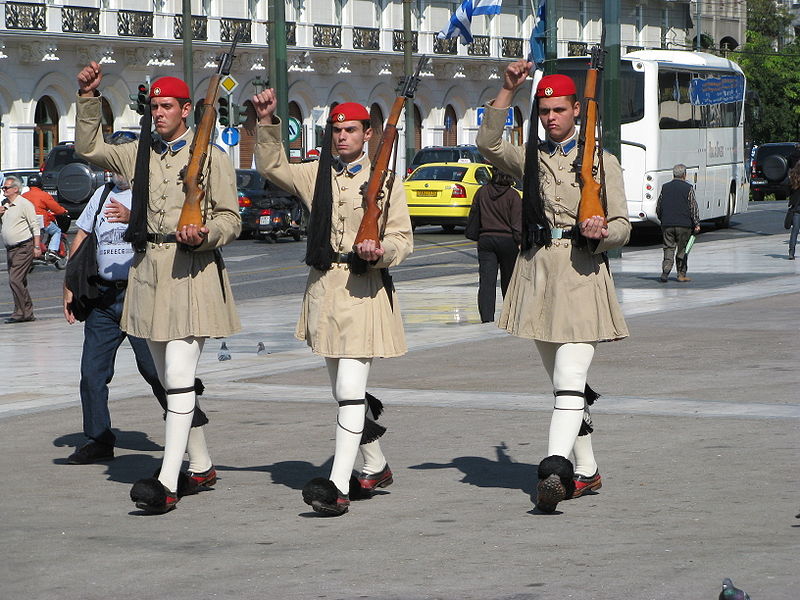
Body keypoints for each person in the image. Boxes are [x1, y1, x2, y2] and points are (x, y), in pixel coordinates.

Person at [75, 63, 241, 514]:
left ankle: (168, 479)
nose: (159, 113)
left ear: (187, 110)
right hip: (148, 273)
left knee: (181, 376)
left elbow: (231, 217)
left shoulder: (212, 157)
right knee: (171, 381)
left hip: (192, 273)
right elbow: (88, 146)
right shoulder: (138, 152)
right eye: (154, 106)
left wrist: (205, 234)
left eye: (167, 106)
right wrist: (89, 98)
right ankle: (202, 463)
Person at [476, 60, 630, 513]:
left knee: (570, 381)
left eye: (558, 111)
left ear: (577, 110)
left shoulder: (603, 160)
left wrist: (604, 231)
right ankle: (588, 471)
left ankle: (554, 471)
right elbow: (487, 142)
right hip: (539, 275)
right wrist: (506, 91)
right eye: (544, 112)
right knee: (565, 387)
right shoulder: (529, 158)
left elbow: (623, 223)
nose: (550, 118)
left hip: (583, 273)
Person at [252, 92, 413, 516]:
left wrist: (382, 252)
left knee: (348, 391)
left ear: (368, 135)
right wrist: (267, 122)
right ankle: (374, 466)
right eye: (336, 131)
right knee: (342, 394)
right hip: (326, 289)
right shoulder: (316, 175)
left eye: (350, 130)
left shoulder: (389, 180)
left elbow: (402, 238)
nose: (342, 137)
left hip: (365, 289)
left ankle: (338, 485)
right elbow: (271, 167)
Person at [64, 133, 210, 466]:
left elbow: (171, 230)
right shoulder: (101, 196)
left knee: (157, 371)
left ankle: (188, 428)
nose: (113, 166)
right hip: (103, 298)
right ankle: (98, 439)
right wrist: (69, 285)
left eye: (119, 158)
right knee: (92, 374)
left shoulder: (148, 195)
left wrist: (134, 218)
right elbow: (83, 236)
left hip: (141, 294)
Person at [467, 169, 522, 322]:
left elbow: (474, 216)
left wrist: (476, 235)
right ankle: (509, 316)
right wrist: (520, 241)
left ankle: (486, 318)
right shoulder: (513, 195)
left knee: (486, 282)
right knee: (509, 281)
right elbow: (517, 223)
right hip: (508, 241)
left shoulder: (481, 192)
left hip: (486, 239)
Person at [0, 175, 41, 323]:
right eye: (3, 187)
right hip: (11, 249)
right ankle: (22, 310)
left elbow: (34, 226)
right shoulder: (5, 204)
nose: (3, 189)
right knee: (19, 281)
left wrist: (37, 246)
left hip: (24, 246)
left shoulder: (24, 204)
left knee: (15, 280)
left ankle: (24, 312)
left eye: (6, 187)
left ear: (15, 189)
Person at [655, 163, 700, 282]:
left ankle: (665, 271)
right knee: (682, 250)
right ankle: (681, 274)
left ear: (673, 174)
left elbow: (659, 206)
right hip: (684, 225)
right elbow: (693, 207)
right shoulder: (688, 188)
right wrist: (696, 223)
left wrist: (662, 219)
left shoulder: (665, 187)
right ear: (684, 175)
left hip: (667, 224)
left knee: (668, 248)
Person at [23, 174, 68, 259]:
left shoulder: (24, 196)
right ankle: (52, 250)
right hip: (41, 220)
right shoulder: (44, 195)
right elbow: (56, 208)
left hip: (26, 222)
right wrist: (63, 211)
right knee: (57, 231)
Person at [786, 160, 800, 260]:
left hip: (796, 208)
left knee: (794, 231)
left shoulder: (793, 179)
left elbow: (788, 192)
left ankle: (791, 252)